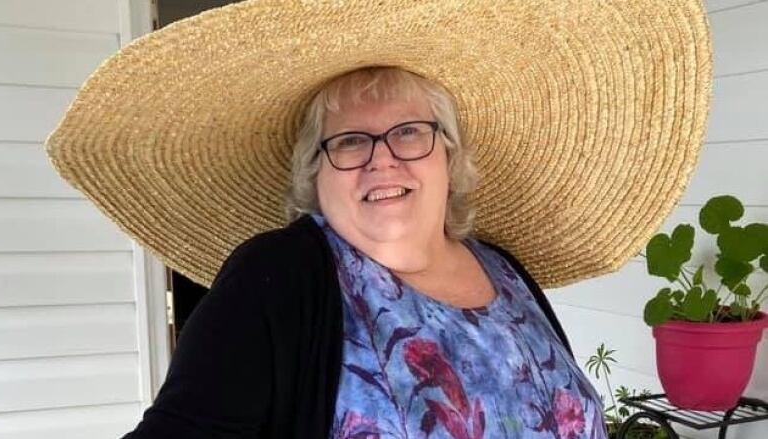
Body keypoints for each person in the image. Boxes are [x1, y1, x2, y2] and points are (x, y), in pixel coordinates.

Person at [43, 1, 713, 438]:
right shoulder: (279, 279)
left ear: (448, 156)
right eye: (350, 141)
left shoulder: (506, 271)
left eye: (409, 133)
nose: (381, 161)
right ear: (316, 172)